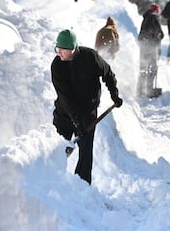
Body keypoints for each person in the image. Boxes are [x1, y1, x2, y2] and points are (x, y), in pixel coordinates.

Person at [51, 29, 123, 185]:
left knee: (85, 152)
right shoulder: (57, 65)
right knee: (58, 150)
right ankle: (54, 183)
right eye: (57, 49)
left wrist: (114, 95)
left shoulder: (90, 57)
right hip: (64, 113)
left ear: (72, 49)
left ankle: (82, 187)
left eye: (62, 50)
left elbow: (108, 73)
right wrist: (76, 121)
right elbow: (65, 97)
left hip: (87, 112)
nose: (59, 53)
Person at [137, 3, 164, 98]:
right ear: (157, 10)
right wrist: (159, 39)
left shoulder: (145, 17)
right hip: (151, 45)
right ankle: (149, 91)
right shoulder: (155, 17)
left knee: (143, 67)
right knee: (152, 68)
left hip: (143, 44)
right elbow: (160, 33)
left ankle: (140, 91)